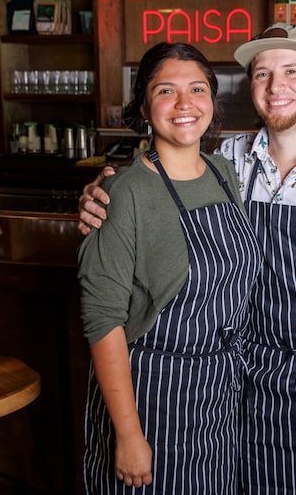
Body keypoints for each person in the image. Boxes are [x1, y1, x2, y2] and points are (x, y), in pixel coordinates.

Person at [79, 24, 296, 494]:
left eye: (292, 72)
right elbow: (157, 177)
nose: (277, 87)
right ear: (249, 87)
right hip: (252, 384)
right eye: (262, 74)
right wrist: (102, 190)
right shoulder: (231, 161)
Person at [77, 42, 262, 494]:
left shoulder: (225, 172)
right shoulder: (123, 193)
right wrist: (128, 434)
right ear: (143, 106)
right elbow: (103, 320)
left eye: (197, 88)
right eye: (166, 91)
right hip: (153, 396)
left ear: (212, 102)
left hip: (220, 392)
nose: (184, 104)